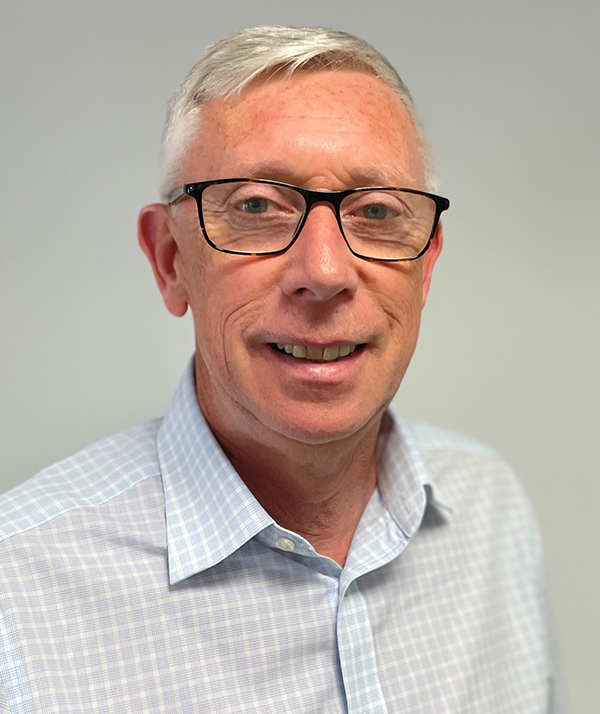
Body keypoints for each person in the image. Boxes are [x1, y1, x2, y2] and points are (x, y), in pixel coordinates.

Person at [0, 25, 565, 714]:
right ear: (171, 261)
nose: (324, 272)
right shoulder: (16, 597)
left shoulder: (490, 508)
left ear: (425, 265)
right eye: (257, 207)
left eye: (377, 211)